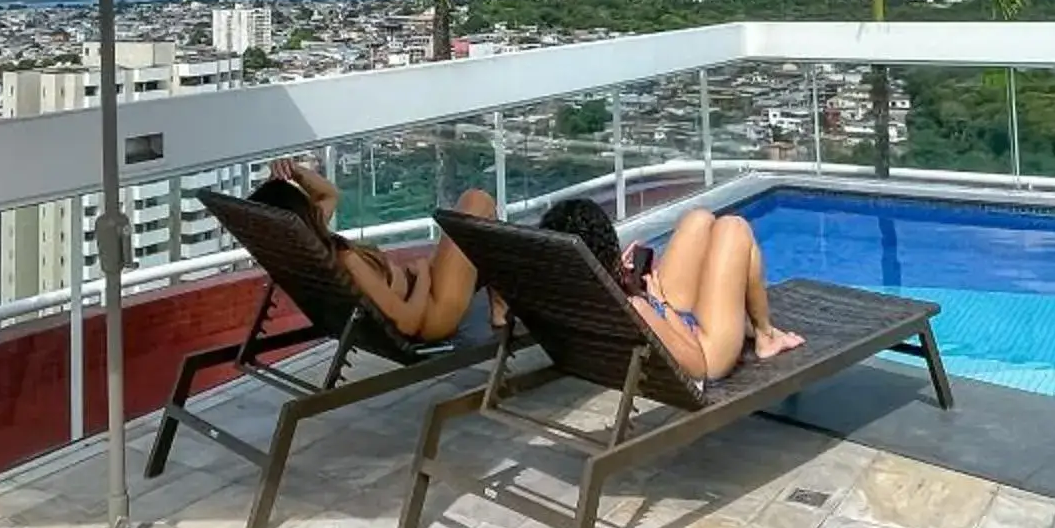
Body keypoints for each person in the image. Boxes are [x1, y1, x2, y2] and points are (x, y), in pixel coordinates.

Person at [540, 196, 803, 381]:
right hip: (707, 354)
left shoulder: (574, 293)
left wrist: (621, 280)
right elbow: (698, 365)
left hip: (663, 326)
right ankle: (764, 336)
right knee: (733, 228)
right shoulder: (635, 308)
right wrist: (659, 303)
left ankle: (740, 320)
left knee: (698, 220)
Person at [249, 155, 495, 342]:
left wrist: (293, 170)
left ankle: (501, 303)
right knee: (477, 201)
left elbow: (329, 195)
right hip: (432, 313)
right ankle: (502, 304)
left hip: (419, 292)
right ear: (301, 213)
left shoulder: (307, 250)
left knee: (469, 227)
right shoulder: (346, 261)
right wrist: (422, 277)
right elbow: (408, 322)